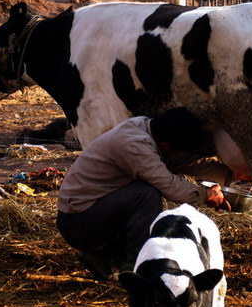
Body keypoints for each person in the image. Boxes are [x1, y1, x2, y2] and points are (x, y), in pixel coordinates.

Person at [56, 107, 233, 280]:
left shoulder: (149, 130)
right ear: (165, 145)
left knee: (141, 194)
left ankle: (106, 257)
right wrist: (205, 194)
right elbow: (169, 185)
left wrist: (230, 174)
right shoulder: (135, 145)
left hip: (94, 210)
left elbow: (186, 162)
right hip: (78, 222)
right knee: (145, 195)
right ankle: (136, 270)